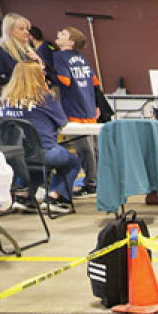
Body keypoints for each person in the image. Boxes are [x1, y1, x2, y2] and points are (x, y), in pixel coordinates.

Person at [0, 61, 79, 215]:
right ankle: (56, 197)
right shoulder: (46, 97)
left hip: (16, 154)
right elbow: (62, 121)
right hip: (45, 151)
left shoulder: (7, 99)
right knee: (73, 162)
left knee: (33, 161)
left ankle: (24, 196)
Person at [47, 27, 99, 196]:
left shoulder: (60, 57)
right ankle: (97, 180)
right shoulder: (82, 58)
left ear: (70, 42)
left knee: (84, 148)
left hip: (74, 107)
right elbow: (94, 82)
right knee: (93, 146)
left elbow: (65, 80)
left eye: (63, 34)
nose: (58, 35)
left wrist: (46, 73)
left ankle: (91, 183)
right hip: (88, 104)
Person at [0, 13, 39, 89]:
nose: (26, 32)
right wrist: (9, 83)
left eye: (27, 29)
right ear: (10, 31)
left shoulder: (28, 49)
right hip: (20, 96)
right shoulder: (3, 51)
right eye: (21, 29)